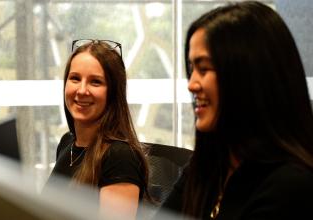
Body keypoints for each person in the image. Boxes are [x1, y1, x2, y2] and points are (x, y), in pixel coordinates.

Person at [160, 1, 313, 220]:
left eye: (203, 69)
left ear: (249, 77)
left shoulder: (291, 187)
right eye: (192, 69)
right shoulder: (208, 166)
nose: (191, 84)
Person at [48, 39, 149, 218]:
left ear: (112, 92)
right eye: (75, 78)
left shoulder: (120, 157)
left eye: (95, 82)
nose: (81, 90)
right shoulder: (67, 143)